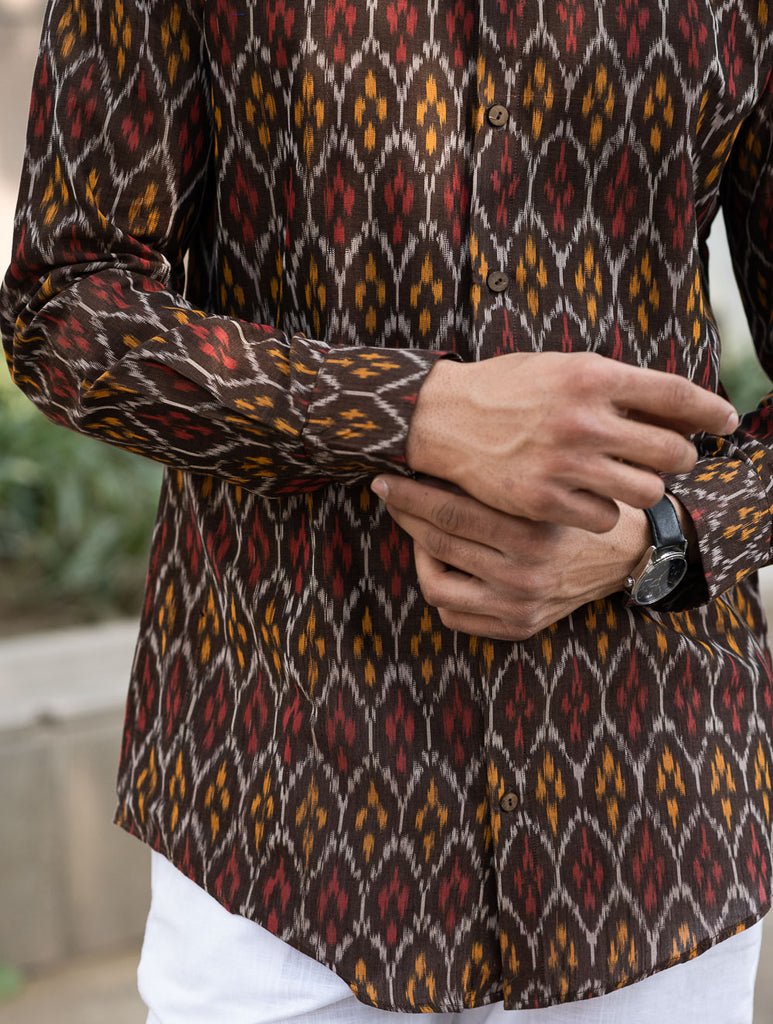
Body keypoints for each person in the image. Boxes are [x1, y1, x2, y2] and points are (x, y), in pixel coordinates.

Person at [1, 0, 771, 1021]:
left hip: (651, 806)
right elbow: (63, 306)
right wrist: (416, 412)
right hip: (278, 809)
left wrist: (663, 540)